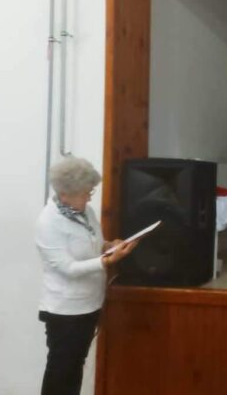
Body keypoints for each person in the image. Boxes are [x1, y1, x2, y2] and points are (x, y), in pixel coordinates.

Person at [36, 157, 140, 395]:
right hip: (65, 310)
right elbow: (68, 268)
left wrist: (108, 246)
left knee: (75, 366)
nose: (89, 197)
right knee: (61, 369)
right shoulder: (48, 222)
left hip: (89, 303)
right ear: (65, 194)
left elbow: (92, 245)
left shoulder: (85, 212)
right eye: (85, 193)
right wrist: (107, 261)